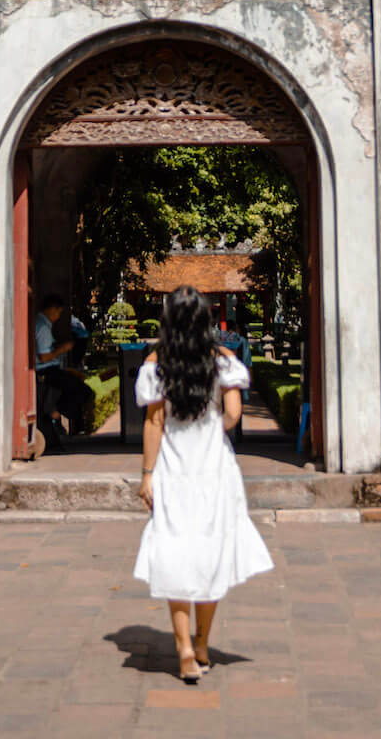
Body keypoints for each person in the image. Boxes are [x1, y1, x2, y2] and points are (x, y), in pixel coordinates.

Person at [134, 285, 274, 684]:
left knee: (175, 550)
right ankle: (201, 643)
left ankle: (181, 649)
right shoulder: (223, 361)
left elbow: (154, 423)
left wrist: (146, 475)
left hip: (174, 467)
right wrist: (211, 425)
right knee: (212, 551)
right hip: (213, 466)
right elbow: (232, 415)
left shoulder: (156, 364)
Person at [34, 292, 93, 449]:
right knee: (83, 391)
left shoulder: (42, 324)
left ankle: (55, 416)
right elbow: (45, 358)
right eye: (58, 312)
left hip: (50, 369)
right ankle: (54, 414)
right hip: (46, 371)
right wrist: (63, 349)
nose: (58, 316)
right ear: (53, 309)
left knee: (77, 385)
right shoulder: (43, 327)